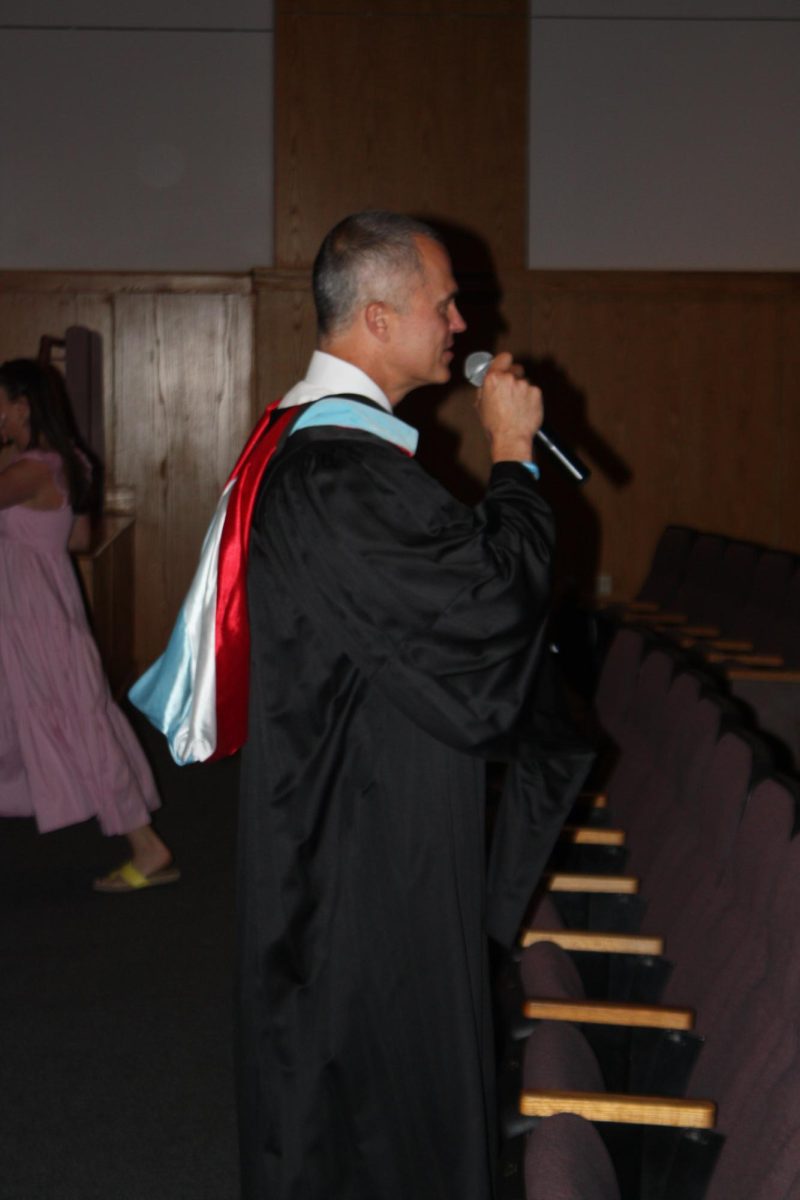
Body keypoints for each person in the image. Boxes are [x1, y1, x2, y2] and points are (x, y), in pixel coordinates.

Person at [236, 211, 580, 1199]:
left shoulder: (314, 451)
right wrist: (512, 454)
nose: (462, 323)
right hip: (364, 839)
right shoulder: (339, 472)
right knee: (372, 1093)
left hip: (353, 799)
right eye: (443, 304)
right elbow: (484, 612)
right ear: (379, 319)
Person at [0, 358, 178, 892]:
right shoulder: (68, 461)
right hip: (38, 606)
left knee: (80, 724)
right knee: (51, 719)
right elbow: (75, 540)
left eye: (0, 406)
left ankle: (147, 847)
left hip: (34, 616)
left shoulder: (30, 469)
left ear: (23, 406)